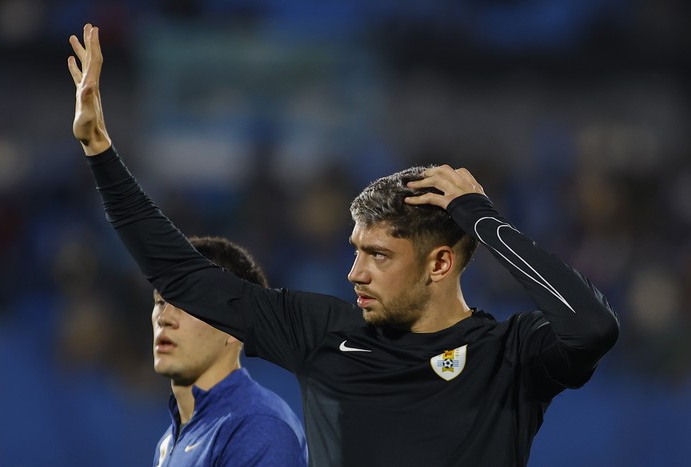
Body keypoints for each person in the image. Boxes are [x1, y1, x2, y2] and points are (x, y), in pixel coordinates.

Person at [68, 23, 620, 467]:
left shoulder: (511, 355)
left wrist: (482, 220)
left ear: (441, 262)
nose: (355, 272)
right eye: (356, 250)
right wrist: (99, 149)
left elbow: (592, 326)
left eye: (378, 255)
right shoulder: (323, 333)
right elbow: (183, 275)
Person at [150, 235, 308, 466]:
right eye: (161, 301)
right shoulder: (170, 440)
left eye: (188, 303)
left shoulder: (257, 426)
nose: (165, 318)